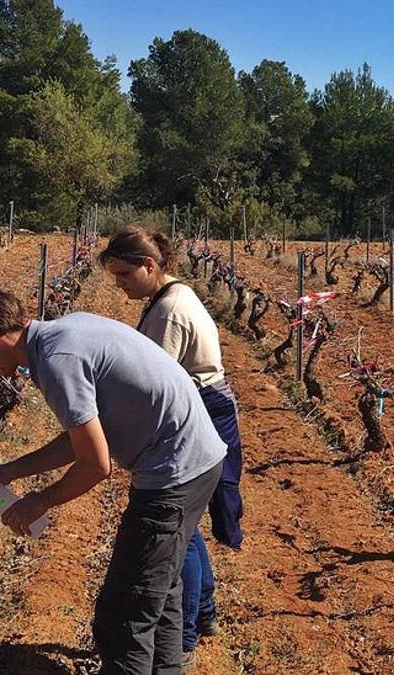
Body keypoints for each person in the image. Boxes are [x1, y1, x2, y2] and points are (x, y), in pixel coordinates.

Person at [0, 285, 225, 674]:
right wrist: (6, 472)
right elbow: (83, 438)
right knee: (160, 592)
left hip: (175, 472)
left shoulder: (58, 361)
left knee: (125, 613)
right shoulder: (66, 332)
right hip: (194, 459)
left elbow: (95, 464)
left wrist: (38, 501)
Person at [98, 227, 244, 665]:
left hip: (201, 409)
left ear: (150, 266)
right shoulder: (168, 298)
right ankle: (202, 614)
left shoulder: (169, 313)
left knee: (178, 531)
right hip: (204, 404)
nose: (120, 283)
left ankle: (186, 631)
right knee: (186, 527)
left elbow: (151, 382)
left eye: (125, 274)